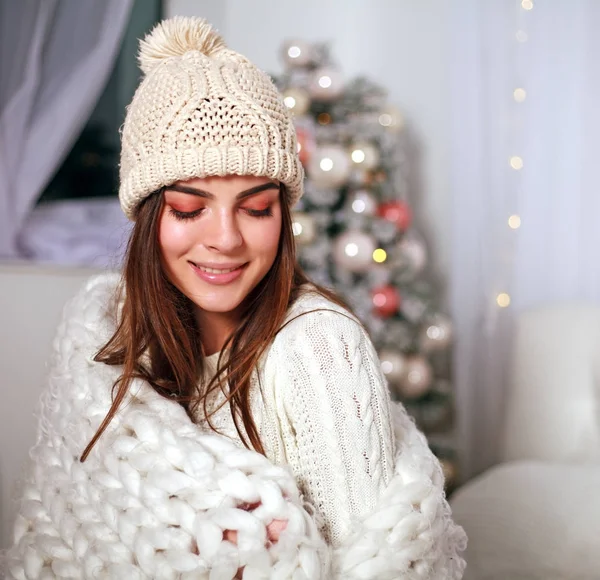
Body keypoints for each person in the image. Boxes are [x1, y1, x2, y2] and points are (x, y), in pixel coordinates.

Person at [4, 16, 466, 579]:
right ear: (148, 218)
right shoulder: (110, 331)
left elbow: (379, 568)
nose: (225, 238)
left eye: (255, 208)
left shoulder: (319, 350)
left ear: (283, 213)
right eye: (189, 208)